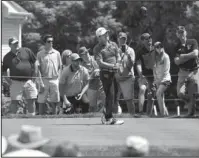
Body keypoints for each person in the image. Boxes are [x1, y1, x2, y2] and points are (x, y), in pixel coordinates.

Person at [93, 27, 124, 125]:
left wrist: (118, 63)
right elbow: (100, 63)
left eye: (107, 33)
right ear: (99, 37)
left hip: (114, 73)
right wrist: (112, 66)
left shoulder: (113, 44)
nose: (107, 35)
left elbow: (118, 55)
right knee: (110, 95)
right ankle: (108, 118)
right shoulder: (97, 48)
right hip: (106, 73)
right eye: (104, 34)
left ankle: (107, 115)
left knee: (113, 96)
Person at [2, 37, 38, 116]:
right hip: (15, 82)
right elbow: (4, 71)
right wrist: (8, 81)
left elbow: (35, 61)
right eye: (14, 43)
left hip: (29, 81)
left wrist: (34, 75)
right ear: (10, 45)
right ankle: (12, 119)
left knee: (31, 100)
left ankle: (31, 117)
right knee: (14, 101)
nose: (16, 44)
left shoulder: (26, 50)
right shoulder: (7, 57)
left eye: (17, 43)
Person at [174, 26, 199, 117]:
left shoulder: (192, 42)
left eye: (182, 32)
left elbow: (196, 53)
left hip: (194, 71)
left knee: (193, 92)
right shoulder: (176, 46)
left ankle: (191, 112)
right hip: (183, 72)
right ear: (177, 35)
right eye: (179, 32)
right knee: (180, 93)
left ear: (186, 33)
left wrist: (183, 56)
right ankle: (191, 103)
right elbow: (176, 61)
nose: (181, 34)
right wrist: (190, 56)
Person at [36, 34, 62, 115]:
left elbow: (60, 66)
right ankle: (40, 118)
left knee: (55, 100)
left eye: (52, 41)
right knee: (41, 100)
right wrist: (40, 82)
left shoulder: (57, 53)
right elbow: (38, 68)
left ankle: (54, 117)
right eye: (49, 41)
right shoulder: (40, 54)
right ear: (45, 43)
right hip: (44, 79)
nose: (51, 43)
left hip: (54, 79)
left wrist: (59, 79)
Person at [78, 46, 105, 112]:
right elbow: (83, 79)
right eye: (85, 53)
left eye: (87, 52)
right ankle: (93, 119)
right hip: (90, 87)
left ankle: (106, 116)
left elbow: (103, 67)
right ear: (81, 56)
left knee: (105, 101)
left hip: (100, 85)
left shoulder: (95, 58)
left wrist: (99, 71)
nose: (87, 54)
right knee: (92, 107)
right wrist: (93, 74)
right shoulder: (81, 66)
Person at [116, 32, 136, 115]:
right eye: (121, 38)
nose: (122, 40)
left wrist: (128, 56)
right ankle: (116, 115)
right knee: (114, 99)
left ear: (126, 39)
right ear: (118, 39)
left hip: (127, 77)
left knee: (129, 100)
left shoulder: (130, 50)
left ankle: (132, 116)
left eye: (124, 39)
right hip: (117, 77)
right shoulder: (115, 50)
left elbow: (131, 64)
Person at [135, 33, 155, 117]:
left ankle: (149, 114)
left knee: (151, 94)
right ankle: (140, 112)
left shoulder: (156, 49)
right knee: (142, 89)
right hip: (144, 76)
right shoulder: (140, 51)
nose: (149, 40)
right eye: (146, 38)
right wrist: (140, 74)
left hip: (155, 76)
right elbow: (138, 64)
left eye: (150, 38)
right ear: (143, 41)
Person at [153, 41, 171, 117]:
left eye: (160, 46)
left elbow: (165, 70)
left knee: (158, 93)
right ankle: (166, 114)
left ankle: (162, 114)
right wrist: (155, 79)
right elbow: (154, 69)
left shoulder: (166, 56)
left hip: (165, 79)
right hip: (157, 80)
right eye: (157, 47)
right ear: (155, 48)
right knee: (161, 97)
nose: (159, 48)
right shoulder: (155, 57)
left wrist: (159, 80)